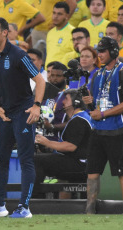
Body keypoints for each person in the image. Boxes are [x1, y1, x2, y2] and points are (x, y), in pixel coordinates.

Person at [0, 17, 45, 218]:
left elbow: (40, 81)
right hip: (4, 113)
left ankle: (24, 208)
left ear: (5, 32)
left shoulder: (19, 55)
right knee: (0, 159)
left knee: (25, 159)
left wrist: (36, 106)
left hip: (23, 111)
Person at [82, 36, 123, 214]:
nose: (99, 54)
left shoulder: (121, 72)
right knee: (92, 171)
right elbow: (96, 104)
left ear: (113, 51)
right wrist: (89, 103)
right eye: (98, 51)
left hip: (117, 130)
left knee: (121, 172)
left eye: (103, 51)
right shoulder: (98, 74)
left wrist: (103, 113)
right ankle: (90, 210)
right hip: (98, 129)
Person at [34, 89, 92, 186]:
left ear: (75, 102)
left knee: (36, 160)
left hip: (80, 165)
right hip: (79, 162)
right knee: (44, 158)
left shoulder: (79, 120)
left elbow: (70, 146)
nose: (63, 102)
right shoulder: (80, 117)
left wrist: (47, 142)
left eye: (66, 99)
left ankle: (34, 195)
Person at [45, 1, 74, 67]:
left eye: (59, 14)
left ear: (66, 15)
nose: (55, 16)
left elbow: (76, 54)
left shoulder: (73, 32)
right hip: (49, 73)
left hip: (63, 73)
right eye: (54, 13)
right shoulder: (50, 32)